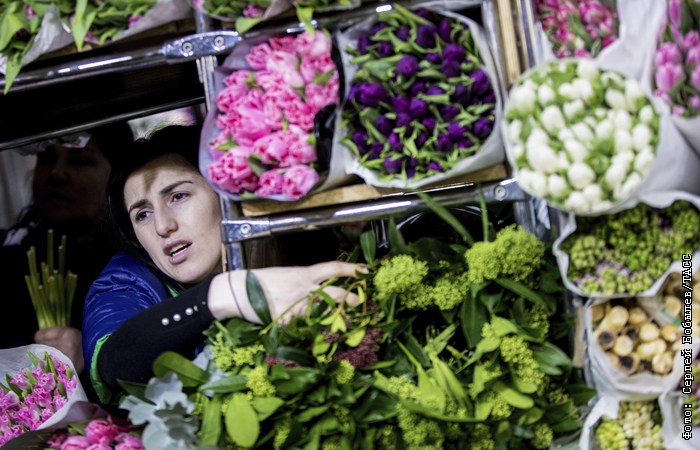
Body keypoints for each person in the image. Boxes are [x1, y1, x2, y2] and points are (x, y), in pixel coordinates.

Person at [82, 126, 362, 403]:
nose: (163, 226)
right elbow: (115, 362)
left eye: (178, 196)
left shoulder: (288, 240)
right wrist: (223, 295)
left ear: (225, 196)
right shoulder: (125, 281)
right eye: (142, 214)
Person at [0, 124, 134, 376]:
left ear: (118, 176)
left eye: (80, 161)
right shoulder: (11, 253)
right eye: (47, 159)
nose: (56, 174)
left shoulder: (137, 259)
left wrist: (91, 349)